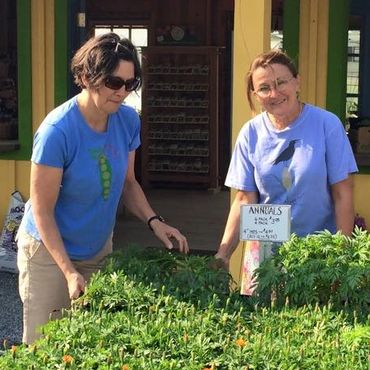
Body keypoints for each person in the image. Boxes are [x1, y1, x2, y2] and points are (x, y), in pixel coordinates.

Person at [17, 33, 189, 345]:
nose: (122, 92)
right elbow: (42, 211)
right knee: (44, 347)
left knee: (91, 342)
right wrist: (69, 272)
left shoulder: (127, 120)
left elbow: (128, 183)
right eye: (113, 82)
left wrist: (155, 222)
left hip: (97, 248)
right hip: (48, 251)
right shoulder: (57, 131)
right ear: (86, 77)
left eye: (130, 83)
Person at [215, 49, 358, 290]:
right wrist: (223, 254)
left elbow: (343, 194)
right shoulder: (250, 133)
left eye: (282, 82)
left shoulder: (326, 124)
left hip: (316, 253)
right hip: (264, 254)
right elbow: (244, 199)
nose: (275, 93)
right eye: (264, 88)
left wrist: (342, 258)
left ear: (297, 81)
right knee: (262, 325)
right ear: (255, 95)